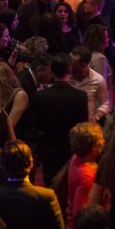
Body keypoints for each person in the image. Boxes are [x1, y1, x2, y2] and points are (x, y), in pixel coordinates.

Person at [35, 53, 89, 184]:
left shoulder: (41, 96)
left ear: (52, 71)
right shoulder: (80, 96)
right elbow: (83, 127)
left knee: (50, 186)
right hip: (72, 149)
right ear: (70, 70)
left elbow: (38, 125)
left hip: (49, 150)